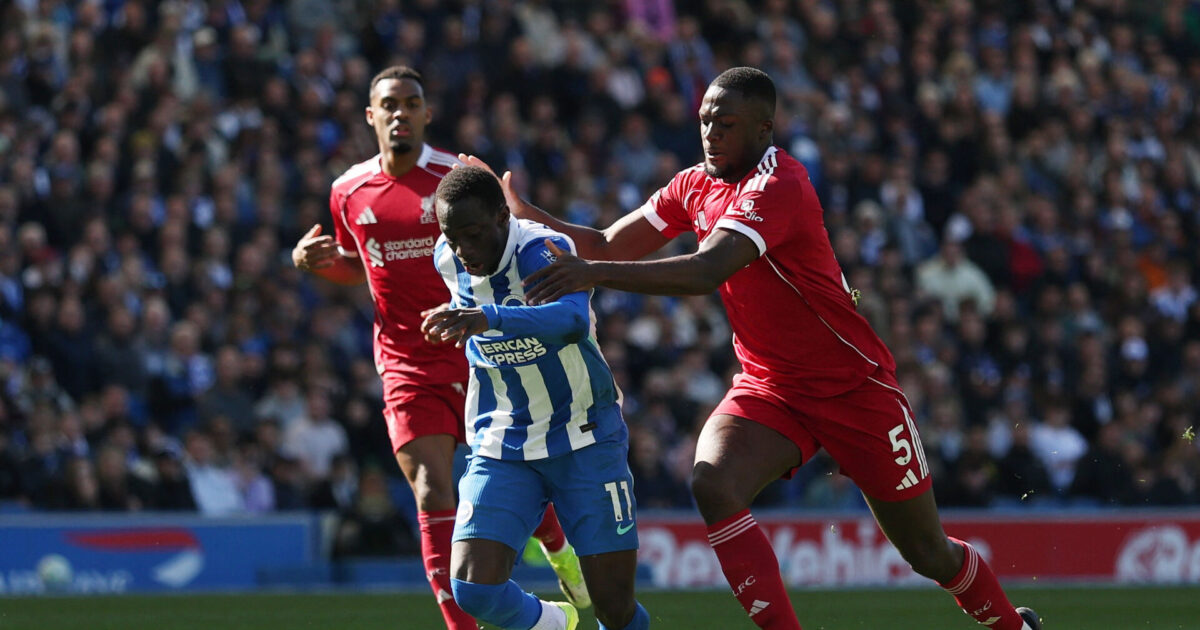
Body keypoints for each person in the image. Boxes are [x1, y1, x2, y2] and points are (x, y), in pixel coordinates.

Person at [464, 67, 1042, 630]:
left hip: (854, 388)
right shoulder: (694, 183)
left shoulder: (779, 185)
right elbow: (607, 242)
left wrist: (590, 274)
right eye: (706, 121)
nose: (711, 134)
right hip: (771, 388)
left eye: (727, 124)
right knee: (712, 481)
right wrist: (522, 214)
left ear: (764, 130)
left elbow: (706, 269)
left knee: (928, 554)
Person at [291, 66, 588, 630]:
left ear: (427, 113)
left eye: (412, 102)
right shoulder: (348, 191)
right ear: (370, 116)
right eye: (389, 104)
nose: (400, 113)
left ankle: (558, 549)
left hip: (481, 350)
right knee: (432, 489)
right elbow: (362, 265)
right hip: (407, 362)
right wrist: (320, 264)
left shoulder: (459, 177)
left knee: (516, 470)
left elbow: (509, 243)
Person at [420, 166, 649, 630]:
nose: (464, 250)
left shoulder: (543, 249)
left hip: (584, 436)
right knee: (472, 588)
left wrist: (490, 318)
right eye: (452, 236)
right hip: (504, 441)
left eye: (474, 234)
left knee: (615, 608)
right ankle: (554, 624)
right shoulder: (446, 257)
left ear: (503, 217)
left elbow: (569, 321)